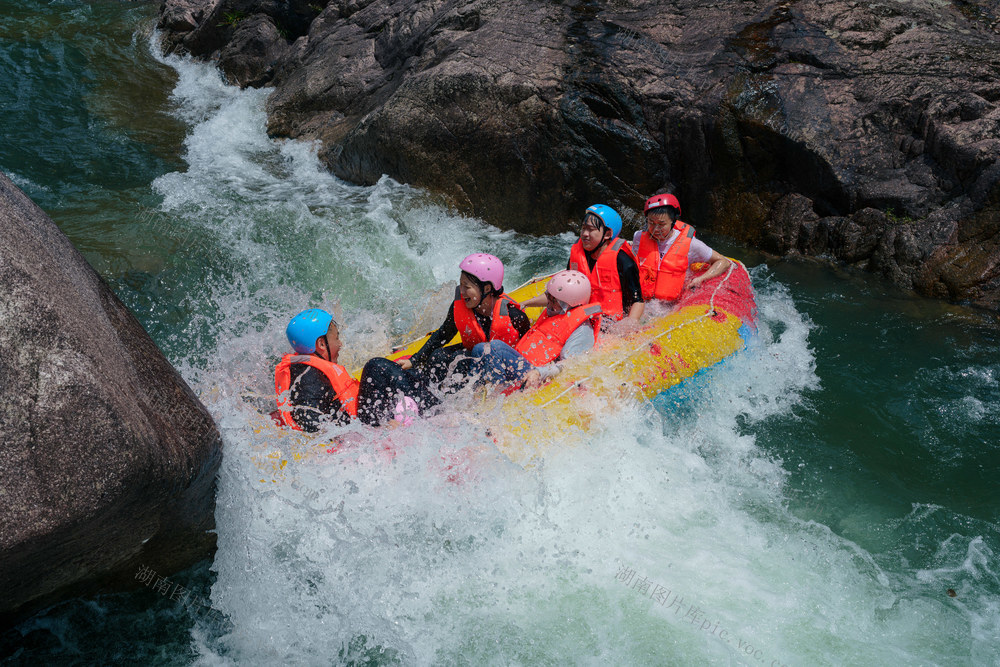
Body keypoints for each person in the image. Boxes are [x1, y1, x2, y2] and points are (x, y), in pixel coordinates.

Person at [274, 308, 438, 431]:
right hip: (359, 427)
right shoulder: (306, 376)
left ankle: (432, 404)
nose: (340, 344)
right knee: (376, 367)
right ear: (321, 344)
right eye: (336, 338)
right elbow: (309, 420)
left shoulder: (306, 368)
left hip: (356, 419)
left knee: (410, 374)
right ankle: (437, 414)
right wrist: (378, 429)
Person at [396, 253, 531, 390]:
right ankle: (426, 392)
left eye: (467, 286)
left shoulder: (513, 316)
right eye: (461, 285)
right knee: (438, 357)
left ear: (487, 288)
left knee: (461, 361)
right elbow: (443, 335)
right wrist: (414, 360)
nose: (462, 291)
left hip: (502, 364)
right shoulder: (460, 306)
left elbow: (528, 345)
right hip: (476, 356)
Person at [469, 270, 601, 391]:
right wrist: (526, 303)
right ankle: (475, 393)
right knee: (480, 349)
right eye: (548, 296)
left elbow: (570, 365)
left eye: (553, 299)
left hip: (538, 377)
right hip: (526, 366)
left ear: (569, 304)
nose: (548, 302)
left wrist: (539, 372)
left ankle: (495, 396)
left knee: (495, 347)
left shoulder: (582, 330)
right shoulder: (557, 311)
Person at [523, 205, 644, 324]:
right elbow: (561, 292)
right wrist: (526, 303)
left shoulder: (623, 261)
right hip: (581, 316)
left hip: (610, 322)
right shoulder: (577, 254)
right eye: (583, 228)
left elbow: (637, 301)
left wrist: (630, 323)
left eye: (591, 229)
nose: (585, 233)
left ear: (607, 234)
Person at [632, 193, 731, 301]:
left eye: (661, 224)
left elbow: (723, 262)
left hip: (671, 303)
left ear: (673, 221)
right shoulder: (638, 237)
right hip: (642, 299)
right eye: (651, 223)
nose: (655, 229)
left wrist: (701, 279)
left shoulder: (691, 244)